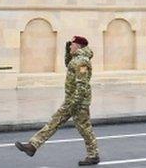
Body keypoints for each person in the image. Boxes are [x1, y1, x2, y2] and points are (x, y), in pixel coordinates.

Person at [15, 36, 99, 166]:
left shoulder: (82, 62)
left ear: (78, 46)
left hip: (78, 102)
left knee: (85, 129)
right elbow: (68, 64)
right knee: (54, 122)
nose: (70, 46)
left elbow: (82, 85)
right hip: (71, 100)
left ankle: (93, 155)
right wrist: (67, 51)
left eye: (71, 45)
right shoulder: (76, 59)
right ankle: (33, 145)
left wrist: (75, 103)